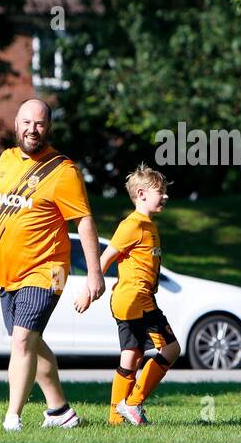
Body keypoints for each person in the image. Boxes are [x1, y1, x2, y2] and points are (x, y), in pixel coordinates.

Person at [0, 98, 104, 431]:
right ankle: (60, 411)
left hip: (50, 269)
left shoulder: (63, 170)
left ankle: (12, 417)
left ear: (48, 127)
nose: (33, 130)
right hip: (8, 269)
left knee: (21, 341)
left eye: (40, 124)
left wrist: (94, 274)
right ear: (16, 124)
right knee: (30, 341)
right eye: (27, 123)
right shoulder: (5, 160)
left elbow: (84, 222)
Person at [76, 164, 180, 425]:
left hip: (133, 299)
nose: (165, 196)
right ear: (142, 194)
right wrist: (88, 290)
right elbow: (106, 257)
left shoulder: (148, 224)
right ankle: (133, 403)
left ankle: (116, 418)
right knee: (171, 349)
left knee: (131, 356)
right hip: (136, 300)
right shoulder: (132, 225)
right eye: (161, 191)